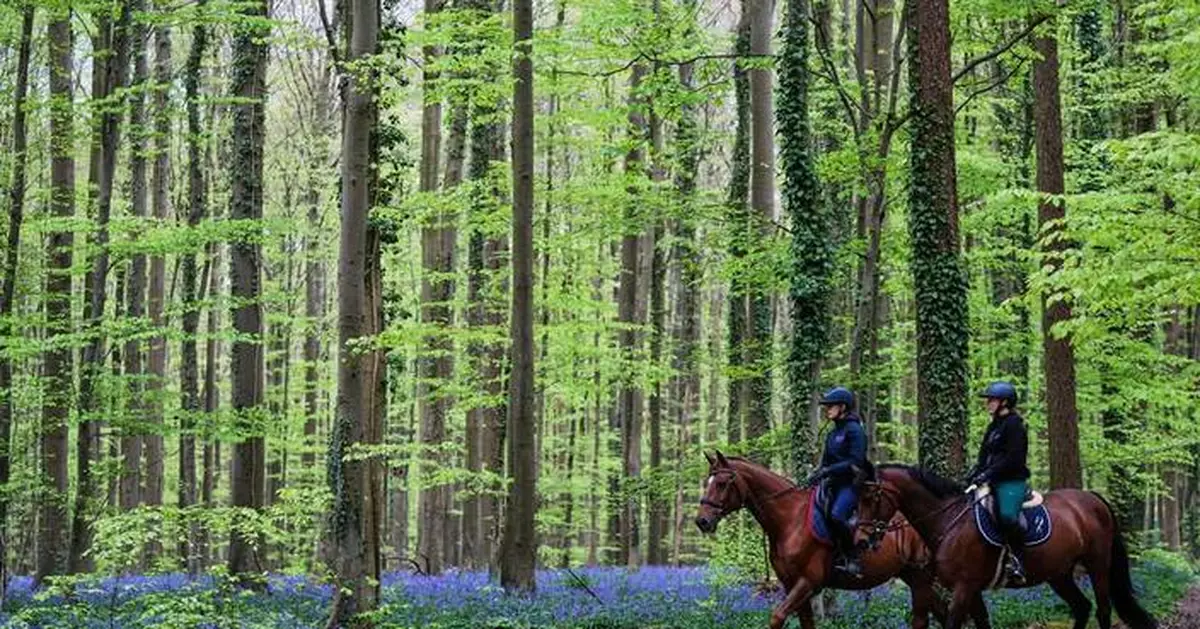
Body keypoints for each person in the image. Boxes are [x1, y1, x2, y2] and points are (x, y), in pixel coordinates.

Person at [966, 381, 1031, 583]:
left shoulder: (1015, 425)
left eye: (992, 400)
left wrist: (988, 474)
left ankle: (1018, 562)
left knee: (1008, 516)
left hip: (1011, 482)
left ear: (1004, 402)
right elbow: (984, 455)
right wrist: (974, 474)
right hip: (992, 481)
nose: (988, 403)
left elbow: (1013, 458)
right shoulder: (993, 426)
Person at [806, 386, 868, 577]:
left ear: (843, 407)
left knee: (837, 515)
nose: (827, 410)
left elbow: (855, 462)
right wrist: (817, 474)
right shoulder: (832, 434)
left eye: (831, 406)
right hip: (832, 483)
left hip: (850, 484)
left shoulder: (854, 430)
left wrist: (828, 470)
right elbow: (825, 461)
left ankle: (852, 557)